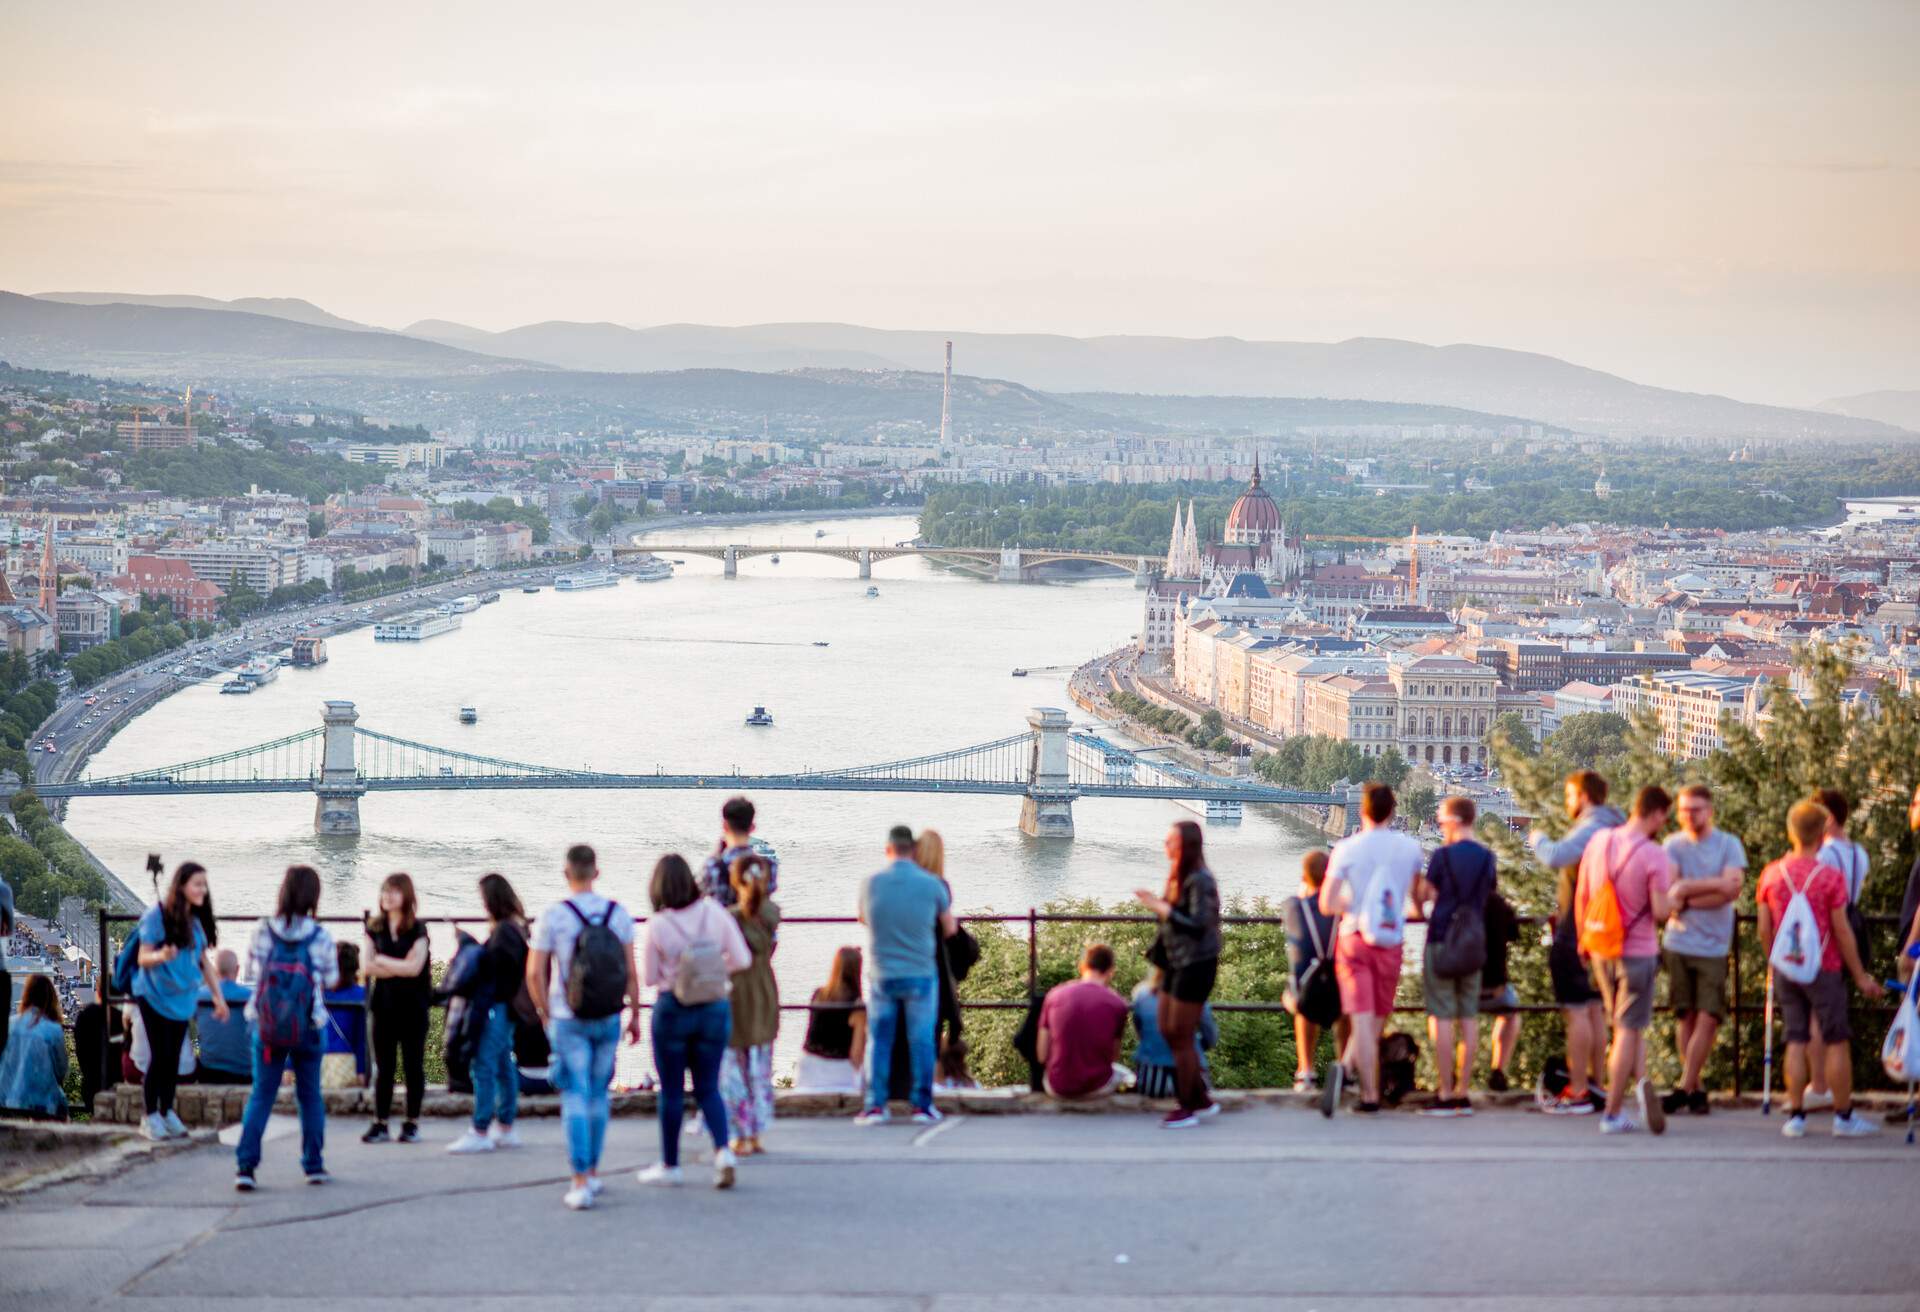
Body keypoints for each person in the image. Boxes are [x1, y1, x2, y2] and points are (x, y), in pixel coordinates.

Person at [1758, 799, 1884, 1139]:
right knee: (1836, 1039)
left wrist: (1774, 960)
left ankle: (1796, 1115)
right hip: (1824, 966)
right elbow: (1841, 930)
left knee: (1795, 1039)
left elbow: (1764, 928)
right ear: (1821, 832)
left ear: (1791, 831)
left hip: (1787, 968)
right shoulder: (1829, 878)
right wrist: (1859, 974)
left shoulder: (1771, 874)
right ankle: (1843, 1117)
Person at [527, 843, 642, 1211]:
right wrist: (635, 1014)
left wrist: (545, 1012)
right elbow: (631, 973)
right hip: (608, 1015)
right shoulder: (618, 913)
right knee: (598, 1094)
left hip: (567, 1017)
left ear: (566, 874)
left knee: (575, 1094)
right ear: (597, 872)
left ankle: (579, 1179)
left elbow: (534, 973)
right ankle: (593, 1172)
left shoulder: (554, 916)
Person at [640, 852, 751, 1188]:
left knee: (672, 1092)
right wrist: (713, 973)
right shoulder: (715, 913)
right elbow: (742, 958)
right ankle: (723, 1152)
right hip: (714, 1008)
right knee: (708, 1087)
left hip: (673, 1008)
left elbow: (648, 977)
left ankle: (670, 1165)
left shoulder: (658, 925)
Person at [1574, 784, 1675, 1135]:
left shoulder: (1600, 841)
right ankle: (1613, 1112)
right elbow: (1661, 911)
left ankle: (1641, 1084)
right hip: (1637, 951)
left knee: (1624, 1025)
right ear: (1658, 814)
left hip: (1601, 947)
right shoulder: (1654, 855)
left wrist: (1583, 943)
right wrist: (1677, 897)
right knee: (1628, 1030)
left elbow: (1583, 895)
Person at [1318, 784, 1422, 1117]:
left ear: (1362, 810)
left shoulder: (1347, 849)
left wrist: (1353, 902)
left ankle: (1365, 1091)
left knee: (1362, 1020)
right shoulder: (1410, 848)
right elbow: (1417, 901)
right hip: (1390, 942)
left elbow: (1327, 903)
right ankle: (1351, 1073)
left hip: (1355, 939)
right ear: (1393, 811)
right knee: (1376, 1019)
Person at [234, 865, 339, 1191]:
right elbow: (333, 980)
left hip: (266, 1025)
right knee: (309, 1096)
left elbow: (250, 974)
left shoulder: (263, 930)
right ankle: (313, 1165)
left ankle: (246, 1168)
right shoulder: (319, 936)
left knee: (262, 1095)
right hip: (308, 1023)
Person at [1529, 770, 1623, 1114]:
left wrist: (1537, 838)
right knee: (1596, 1010)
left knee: (1577, 1012)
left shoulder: (1592, 826)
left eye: (1569, 796)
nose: (1568, 803)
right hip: (1604, 931)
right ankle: (1595, 1084)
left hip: (1577, 928)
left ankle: (1580, 1089)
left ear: (1583, 795)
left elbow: (1556, 856)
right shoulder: (1618, 825)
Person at [856, 824, 956, 1126]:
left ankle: (876, 1106)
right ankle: (922, 1106)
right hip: (921, 973)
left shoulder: (870, 883)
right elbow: (949, 928)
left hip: (883, 974)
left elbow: (863, 917)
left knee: (879, 1041)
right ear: (913, 850)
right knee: (923, 1041)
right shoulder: (932, 884)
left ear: (888, 849)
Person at [1658, 783, 1746, 1116]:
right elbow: (1670, 894)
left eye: (1694, 808)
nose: (1688, 815)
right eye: (1683, 809)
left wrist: (1686, 892)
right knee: (1687, 1016)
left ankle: (1682, 1087)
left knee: (1710, 1016)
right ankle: (1695, 1089)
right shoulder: (1672, 845)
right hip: (1678, 941)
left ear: (1709, 810)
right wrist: (1705, 889)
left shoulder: (1728, 844)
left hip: (1713, 944)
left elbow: (1731, 891)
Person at [1134, 819, 1223, 1128]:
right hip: (1175, 963)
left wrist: (1162, 908)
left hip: (1196, 965)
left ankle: (1187, 1107)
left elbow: (1199, 924)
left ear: (1185, 846)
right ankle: (1200, 1098)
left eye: (1170, 841)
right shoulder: (1179, 876)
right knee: (1168, 1029)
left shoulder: (1200, 880)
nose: (1165, 846)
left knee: (1182, 1035)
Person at [133, 861, 226, 1141]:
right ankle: (150, 1116)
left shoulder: (195, 923)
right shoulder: (156, 917)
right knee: (159, 1056)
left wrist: (218, 997)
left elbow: (204, 963)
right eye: (197, 883)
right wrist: (162, 955)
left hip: (181, 999)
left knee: (172, 1058)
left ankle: (167, 1110)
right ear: (182, 885)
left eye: (204, 884)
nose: (202, 889)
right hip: (154, 995)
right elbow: (142, 957)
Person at [1421, 795, 1495, 1116]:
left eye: (1441, 821)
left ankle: (1445, 1091)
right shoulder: (1487, 857)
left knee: (1442, 1018)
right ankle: (1464, 1093)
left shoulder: (1442, 856)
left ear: (1454, 821)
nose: (1439, 826)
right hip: (1474, 943)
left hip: (1442, 940)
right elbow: (1489, 894)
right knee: (1469, 1018)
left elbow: (1428, 895)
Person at [449, 873, 530, 1154]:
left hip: (497, 1006)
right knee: (504, 1064)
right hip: (508, 1008)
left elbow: (495, 970)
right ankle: (505, 1125)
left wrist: (469, 946)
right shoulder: (516, 928)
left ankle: (480, 1128)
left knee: (483, 1065)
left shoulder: (504, 933)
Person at [1808, 787, 1868, 1107]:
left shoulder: (1826, 853)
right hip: (1853, 928)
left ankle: (1819, 1085)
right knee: (1835, 1008)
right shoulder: (1859, 853)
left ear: (1828, 818)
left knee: (1816, 1015)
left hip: (1828, 932)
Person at [361, 872, 431, 1145]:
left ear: (407, 895)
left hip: (414, 1007)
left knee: (414, 1066)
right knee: (384, 1067)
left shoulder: (419, 929)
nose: (387, 896)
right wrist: (399, 965)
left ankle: (411, 1122)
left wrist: (382, 960)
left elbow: (415, 968)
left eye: (394, 891)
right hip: (384, 1006)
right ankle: (380, 1123)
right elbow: (366, 966)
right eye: (384, 891)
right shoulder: (373, 927)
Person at [721, 853, 780, 1157]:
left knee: (734, 1065)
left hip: (737, 989)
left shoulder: (730, 917)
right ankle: (756, 1131)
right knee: (760, 1063)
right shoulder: (772, 914)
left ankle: (739, 1133)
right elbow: (770, 948)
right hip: (764, 987)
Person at [1038, 943, 1132, 1099]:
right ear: (1110, 972)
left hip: (1057, 1086)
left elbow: (1042, 1054)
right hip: (1097, 1087)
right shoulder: (1117, 1003)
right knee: (1126, 1074)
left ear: (1082, 966)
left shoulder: (1054, 995)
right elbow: (1113, 1057)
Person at [1281, 851, 1342, 1092]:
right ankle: (1343, 1065)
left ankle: (1305, 1071)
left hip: (1307, 994)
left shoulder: (1293, 906)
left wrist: (1304, 888)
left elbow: (1295, 904)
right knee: (1345, 1003)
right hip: (1340, 992)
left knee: (1297, 995)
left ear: (1304, 877)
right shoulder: (1341, 910)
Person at [1130, 969, 1217, 1098]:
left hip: (1151, 1082)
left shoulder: (1142, 997)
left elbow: (1141, 1033)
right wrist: (1193, 1045)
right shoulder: (1196, 996)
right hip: (1193, 1083)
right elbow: (1211, 1037)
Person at [795, 947, 867, 1092]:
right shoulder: (857, 1006)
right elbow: (856, 1055)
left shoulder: (818, 995)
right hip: (839, 1070)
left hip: (808, 1065)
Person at [0, 974, 68, 1118]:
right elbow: (61, 1070)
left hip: (9, 1099)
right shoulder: (53, 1029)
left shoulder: (9, 1025)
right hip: (43, 1103)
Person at [1479, 890, 1522, 1092]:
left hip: (1463, 989)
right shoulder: (1498, 903)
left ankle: (1451, 1074)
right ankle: (1498, 1070)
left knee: (1445, 1016)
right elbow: (1515, 935)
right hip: (1495, 988)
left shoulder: (1456, 901)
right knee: (1511, 1014)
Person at [702, 795, 779, 907]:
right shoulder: (769, 866)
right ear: (752, 827)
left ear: (725, 826)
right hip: (755, 924)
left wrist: (715, 854)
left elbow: (697, 894)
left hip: (723, 923)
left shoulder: (714, 865)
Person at [193, 949, 253, 1085]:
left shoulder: (198, 996)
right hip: (243, 1072)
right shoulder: (251, 998)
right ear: (237, 969)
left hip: (208, 1071)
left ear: (214, 970)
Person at [322, 942, 368, 1088]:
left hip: (318, 1064)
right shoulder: (361, 995)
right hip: (345, 1064)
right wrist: (362, 1071)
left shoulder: (317, 993)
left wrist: (289, 1067)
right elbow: (362, 1039)